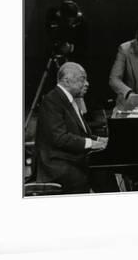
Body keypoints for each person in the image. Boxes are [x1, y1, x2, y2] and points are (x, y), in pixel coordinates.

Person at [34, 62, 108, 194]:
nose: (87, 83)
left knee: (104, 172)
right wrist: (92, 143)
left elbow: (81, 134)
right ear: (67, 81)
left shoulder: (69, 100)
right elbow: (60, 138)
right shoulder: (52, 100)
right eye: (82, 79)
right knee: (94, 176)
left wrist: (101, 140)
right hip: (56, 165)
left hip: (70, 159)